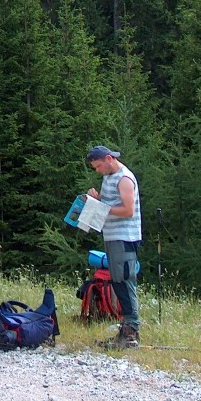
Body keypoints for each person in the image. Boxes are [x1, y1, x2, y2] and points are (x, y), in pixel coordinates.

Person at [86, 145, 142, 349]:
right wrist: (96, 200)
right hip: (112, 235)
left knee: (125, 281)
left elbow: (128, 210)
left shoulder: (124, 178)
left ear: (109, 159)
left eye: (99, 166)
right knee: (117, 280)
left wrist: (104, 208)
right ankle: (126, 329)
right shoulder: (108, 177)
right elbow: (109, 203)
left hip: (125, 237)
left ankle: (131, 332)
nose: (97, 170)